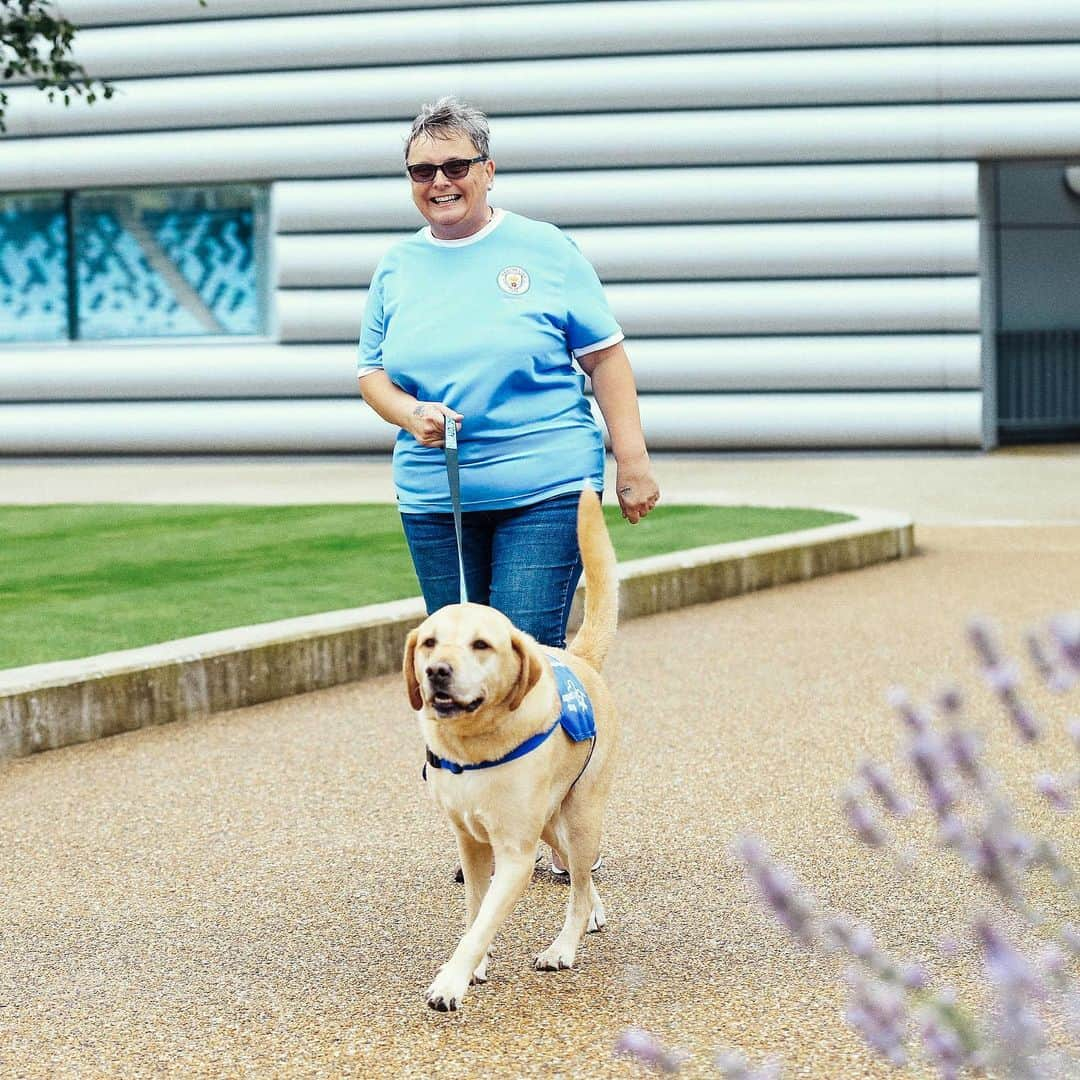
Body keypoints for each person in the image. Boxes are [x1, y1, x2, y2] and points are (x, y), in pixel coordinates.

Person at [357, 97, 660, 870]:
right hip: (437, 491)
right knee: (458, 665)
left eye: (456, 166)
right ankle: (488, 820)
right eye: (423, 171)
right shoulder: (397, 264)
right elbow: (372, 375)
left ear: (487, 171)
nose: (441, 181)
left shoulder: (545, 249)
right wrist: (409, 413)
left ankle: (536, 821)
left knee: (519, 658)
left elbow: (606, 360)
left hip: (543, 478)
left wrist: (631, 461)